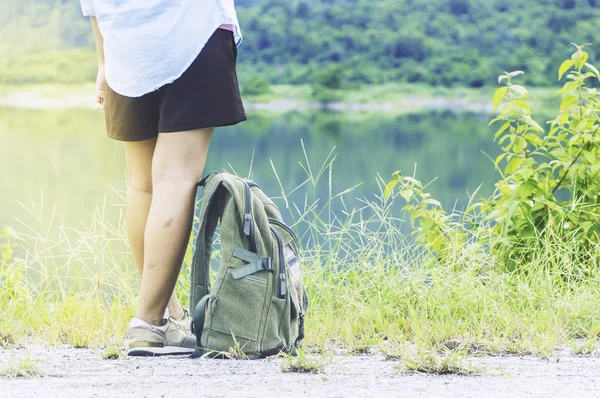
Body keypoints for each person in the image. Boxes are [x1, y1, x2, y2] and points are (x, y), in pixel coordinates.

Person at [80, 0, 246, 356]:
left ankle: (168, 317)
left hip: (125, 45)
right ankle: (150, 322)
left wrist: (104, 61)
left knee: (142, 185)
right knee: (175, 178)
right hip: (192, 34)